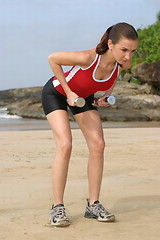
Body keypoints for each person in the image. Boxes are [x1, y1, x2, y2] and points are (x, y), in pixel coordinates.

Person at [42, 22, 138, 227]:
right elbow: (53, 59)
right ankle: (57, 207)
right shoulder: (88, 58)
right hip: (57, 93)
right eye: (124, 50)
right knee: (65, 145)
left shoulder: (122, 64)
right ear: (110, 44)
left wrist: (106, 96)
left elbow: (113, 78)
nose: (128, 56)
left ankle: (93, 205)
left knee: (98, 145)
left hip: (83, 98)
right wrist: (68, 92)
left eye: (132, 51)